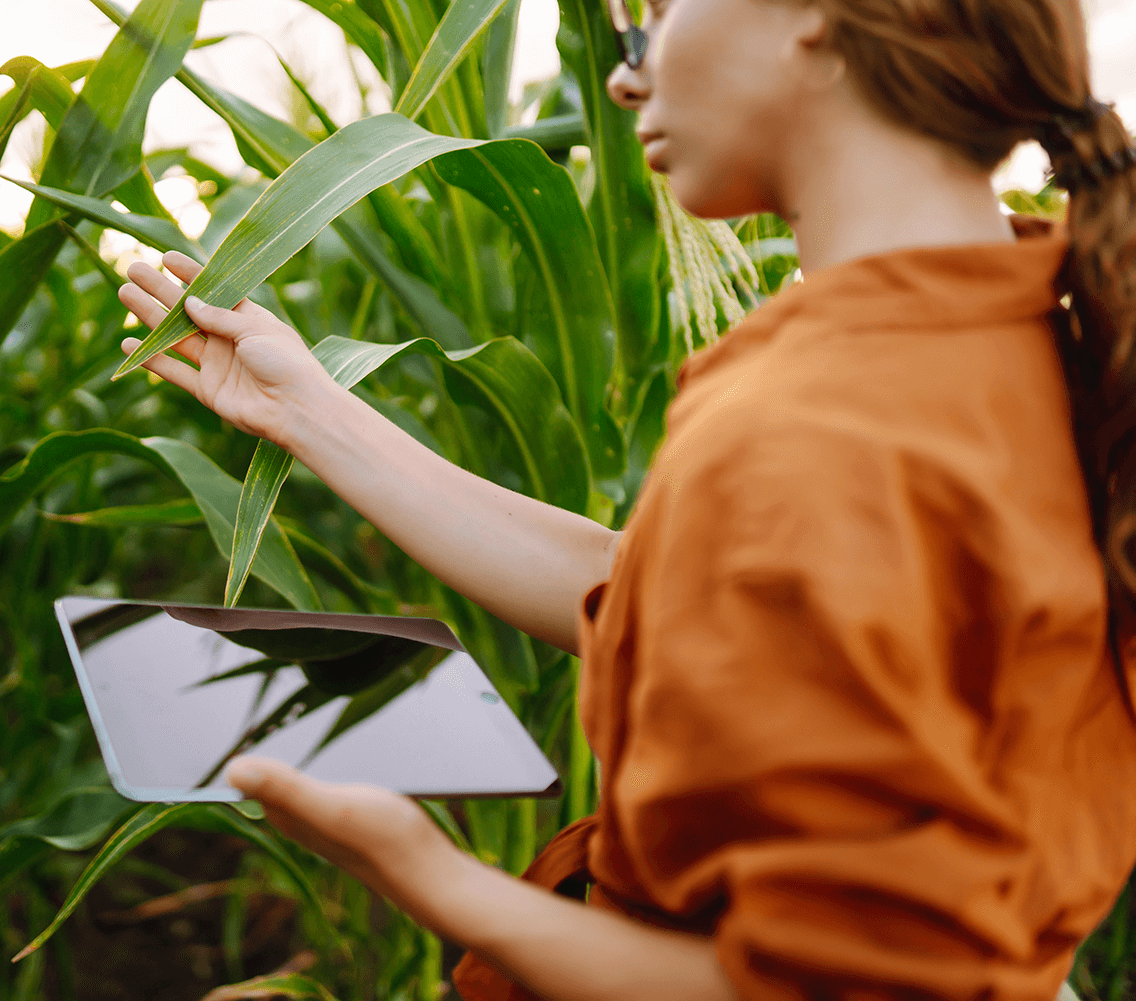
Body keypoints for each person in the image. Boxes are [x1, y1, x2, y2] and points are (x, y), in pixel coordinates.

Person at [116, 0, 1136, 996]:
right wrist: (312, 412)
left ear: (814, 20)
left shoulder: (834, 424)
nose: (621, 74)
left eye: (651, 14)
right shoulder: (1023, 338)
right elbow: (680, 585)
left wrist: (429, 874)